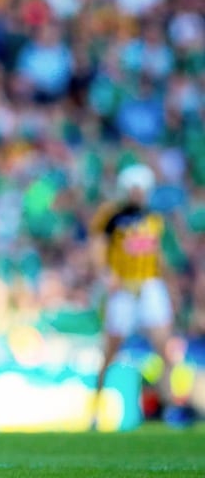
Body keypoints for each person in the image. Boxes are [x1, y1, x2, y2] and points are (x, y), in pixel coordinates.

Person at [89, 163, 183, 428]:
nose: (137, 194)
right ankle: (95, 410)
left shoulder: (154, 218)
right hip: (123, 288)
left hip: (150, 285)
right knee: (110, 351)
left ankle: (169, 408)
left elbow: (157, 255)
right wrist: (106, 275)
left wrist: (170, 286)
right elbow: (98, 247)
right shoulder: (111, 217)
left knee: (164, 348)